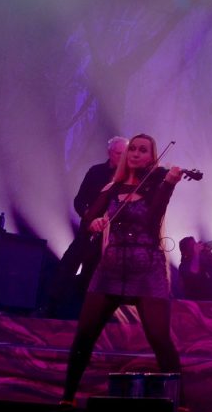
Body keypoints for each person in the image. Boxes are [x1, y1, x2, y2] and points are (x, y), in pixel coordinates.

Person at [60, 134, 188, 410]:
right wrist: (94, 222)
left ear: (151, 157)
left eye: (143, 150)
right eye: (133, 149)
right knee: (85, 335)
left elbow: (153, 217)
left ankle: (181, 403)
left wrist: (168, 184)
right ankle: (67, 397)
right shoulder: (112, 186)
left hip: (147, 268)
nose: (136, 154)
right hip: (111, 267)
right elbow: (89, 217)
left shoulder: (156, 186)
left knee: (159, 338)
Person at [46, 136, 129, 318]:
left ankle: (83, 314)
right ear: (109, 153)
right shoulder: (96, 172)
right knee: (67, 266)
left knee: (92, 275)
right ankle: (49, 309)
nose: (123, 158)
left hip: (109, 237)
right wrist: (89, 218)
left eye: (125, 154)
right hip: (87, 231)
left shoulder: (130, 178)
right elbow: (79, 200)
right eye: (119, 154)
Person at [178, 236, 212, 301]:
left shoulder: (203, 258)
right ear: (186, 251)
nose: (195, 246)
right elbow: (194, 273)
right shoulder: (184, 265)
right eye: (192, 245)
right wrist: (196, 253)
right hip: (199, 301)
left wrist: (209, 253)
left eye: (195, 243)